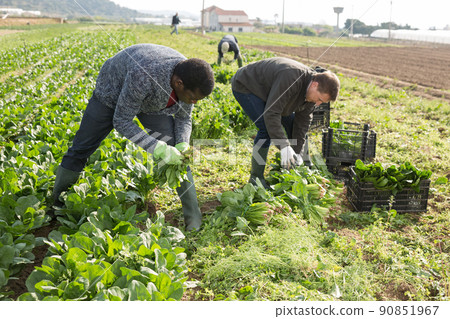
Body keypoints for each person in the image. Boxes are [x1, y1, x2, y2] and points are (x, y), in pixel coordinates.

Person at [52, 43, 215, 231]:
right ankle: (57, 205)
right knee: (81, 148)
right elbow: (121, 121)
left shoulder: (188, 77)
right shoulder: (145, 75)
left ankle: (193, 216)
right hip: (111, 94)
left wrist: (182, 145)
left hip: (152, 104)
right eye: (193, 98)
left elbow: (184, 117)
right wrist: (159, 149)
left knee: (179, 159)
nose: (194, 102)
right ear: (179, 84)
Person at [231, 57, 340, 188]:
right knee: (265, 129)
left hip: (272, 92)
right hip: (248, 86)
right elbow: (272, 113)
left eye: (322, 102)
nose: (318, 103)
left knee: (292, 124)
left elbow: (301, 125)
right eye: (320, 99)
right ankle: (256, 178)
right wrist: (284, 146)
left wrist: (297, 152)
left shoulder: (312, 97)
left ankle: (292, 166)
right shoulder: (291, 78)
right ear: (315, 84)